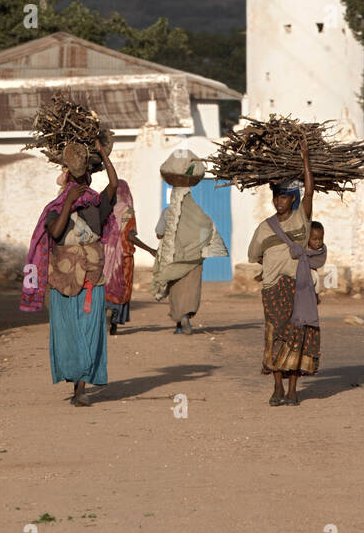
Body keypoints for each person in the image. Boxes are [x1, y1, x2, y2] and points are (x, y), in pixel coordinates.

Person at [21, 135, 118, 407]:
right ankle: (75, 381)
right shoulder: (54, 210)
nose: (80, 186)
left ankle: (81, 388)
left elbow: (113, 184)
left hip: (91, 280)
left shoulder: (96, 207)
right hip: (62, 281)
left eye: (83, 180)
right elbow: (54, 232)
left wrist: (103, 153)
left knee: (89, 331)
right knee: (68, 333)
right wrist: (67, 204)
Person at [248, 137, 325, 406]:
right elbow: (254, 256)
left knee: (297, 336)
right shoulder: (264, 229)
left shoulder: (301, 219)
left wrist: (305, 158)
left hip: (298, 287)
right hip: (272, 289)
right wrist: (272, 266)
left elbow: (310, 192)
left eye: (284, 197)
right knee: (275, 336)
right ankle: (277, 387)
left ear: (292, 199)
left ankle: (293, 391)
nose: (279, 202)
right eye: (276, 196)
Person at [151, 150, 228, 335]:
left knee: (176, 291)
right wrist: (196, 247)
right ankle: (186, 316)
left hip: (175, 258)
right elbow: (207, 230)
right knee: (191, 289)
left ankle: (179, 321)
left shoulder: (168, 212)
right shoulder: (199, 213)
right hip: (193, 259)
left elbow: (160, 234)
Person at [103, 179, 156, 335]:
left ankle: (105, 313)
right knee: (121, 288)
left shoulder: (106, 209)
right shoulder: (128, 212)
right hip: (123, 257)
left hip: (106, 255)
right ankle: (114, 321)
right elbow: (131, 236)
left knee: (107, 285)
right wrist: (150, 249)